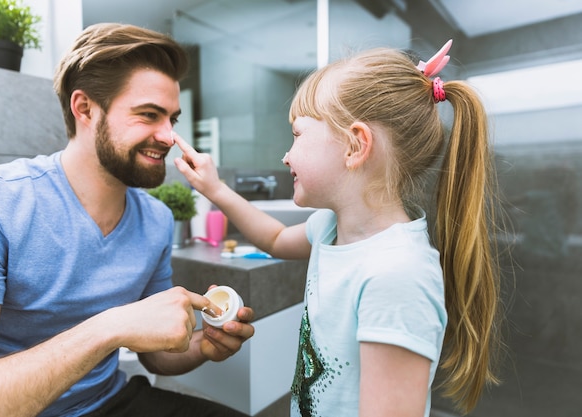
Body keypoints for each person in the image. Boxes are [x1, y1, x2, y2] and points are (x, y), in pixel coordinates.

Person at [174, 40, 503, 417]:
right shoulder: (331, 227)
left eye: (297, 135)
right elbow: (276, 239)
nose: (286, 154)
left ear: (354, 146)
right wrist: (214, 189)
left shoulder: (396, 276)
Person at [0, 23, 254, 417]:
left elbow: (156, 358)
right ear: (85, 109)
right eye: (149, 115)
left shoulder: (156, 220)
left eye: (172, 120)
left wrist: (203, 345)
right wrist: (109, 328)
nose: (169, 137)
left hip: (111, 401)